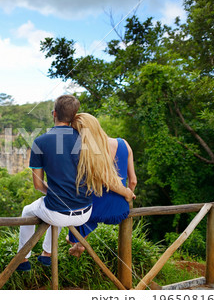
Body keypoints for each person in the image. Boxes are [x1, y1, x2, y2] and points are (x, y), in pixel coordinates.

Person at [16, 96, 135, 271]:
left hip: (59, 212)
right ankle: (46, 255)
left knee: (29, 210)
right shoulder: (86, 140)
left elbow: (38, 185)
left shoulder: (39, 142)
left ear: (54, 113)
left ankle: (22, 260)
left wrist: (57, 193)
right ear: (74, 115)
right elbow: (103, 173)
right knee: (53, 209)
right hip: (86, 212)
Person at [66, 113, 137, 257]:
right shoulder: (124, 144)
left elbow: (106, 180)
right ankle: (77, 242)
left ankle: (76, 241)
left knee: (78, 207)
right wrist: (128, 194)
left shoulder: (86, 151)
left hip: (94, 210)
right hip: (121, 210)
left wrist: (125, 193)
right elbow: (133, 181)